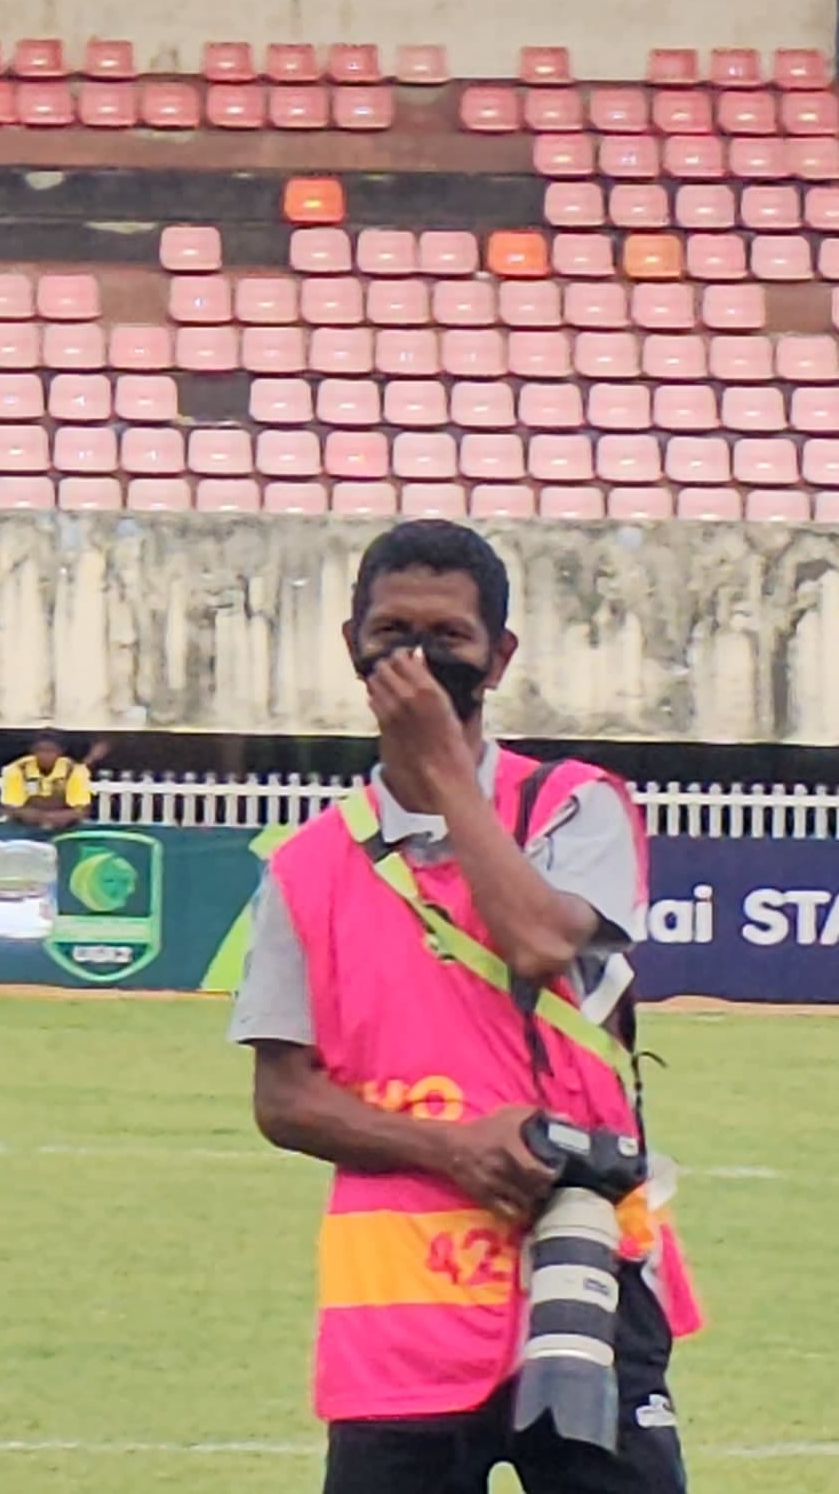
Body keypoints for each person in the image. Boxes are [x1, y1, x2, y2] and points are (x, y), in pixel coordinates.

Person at [233, 520, 698, 1494]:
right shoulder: (305, 864)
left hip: (579, 1268)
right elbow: (281, 1096)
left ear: (500, 654)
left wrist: (441, 767)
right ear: (350, 640)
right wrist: (450, 1146)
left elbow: (538, 941)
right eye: (391, 628)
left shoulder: (575, 805)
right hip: (398, 1302)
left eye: (447, 634)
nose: (415, 653)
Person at [0, 729, 93, 834]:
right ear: (33, 751)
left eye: (51, 750)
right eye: (41, 750)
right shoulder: (17, 769)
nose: (45, 755)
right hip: (24, 828)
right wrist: (40, 817)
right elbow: (10, 807)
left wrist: (55, 818)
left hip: (65, 829)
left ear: (60, 752)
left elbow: (81, 810)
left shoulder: (74, 770)